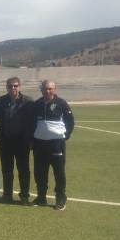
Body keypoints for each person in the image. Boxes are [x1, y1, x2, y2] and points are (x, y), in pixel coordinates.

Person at [32, 80, 74, 210]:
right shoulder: (37, 104)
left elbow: (70, 121)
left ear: (54, 89)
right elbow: (32, 122)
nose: (47, 91)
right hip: (39, 144)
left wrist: (65, 135)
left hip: (56, 144)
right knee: (40, 172)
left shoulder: (61, 103)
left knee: (59, 172)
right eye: (45, 89)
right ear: (41, 90)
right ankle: (41, 197)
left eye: (50, 89)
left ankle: (60, 198)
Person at [0, 77, 34, 204]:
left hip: (22, 142)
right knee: (7, 170)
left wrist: (32, 140)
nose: (13, 88)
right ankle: (7, 195)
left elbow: (33, 123)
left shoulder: (28, 101)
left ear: (19, 87)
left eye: (15, 86)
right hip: (5, 142)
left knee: (23, 170)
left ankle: (24, 196)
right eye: (10, 86)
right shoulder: (1, 101)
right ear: (7, 87)